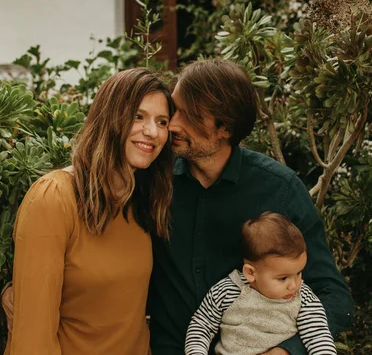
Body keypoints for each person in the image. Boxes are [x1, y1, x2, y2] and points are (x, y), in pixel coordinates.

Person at [148, 58, 353, 355]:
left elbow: (333, 295)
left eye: (189, 115)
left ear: (225, 129)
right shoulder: (153, 179)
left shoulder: (280, 190)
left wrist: (285, 351)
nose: (174, 124)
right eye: (174, 109)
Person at [4, 68, 174, 355]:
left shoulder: (141, 201)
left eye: (162, 121)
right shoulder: (54, 198)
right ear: (110, 117)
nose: (153, 132)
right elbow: (33, 333)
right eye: (138, 116)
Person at [184, 212, 338, 355]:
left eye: (298, 273)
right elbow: (201, 326)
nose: (294, 285)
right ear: (251, 273)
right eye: (283, 278)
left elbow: (318, 336)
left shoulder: (303, 298)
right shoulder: (227, 291)